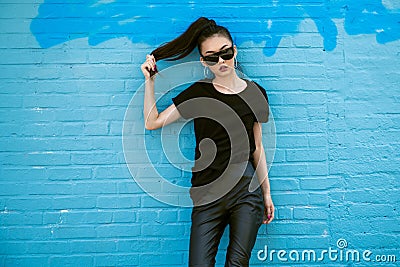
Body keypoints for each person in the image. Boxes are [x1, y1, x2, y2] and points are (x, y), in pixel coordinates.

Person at [140, 17, 274, 267]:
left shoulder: (256, 93)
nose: (221, 61)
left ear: (235, 51)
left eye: (225, 53)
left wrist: (267, 193)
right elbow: (152, 122)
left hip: (246, 190)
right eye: (212, 57)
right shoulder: (199, 93)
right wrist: (150, 81)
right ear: (203, 61)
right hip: (207, 194)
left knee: (237, 264)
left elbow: (258, 147)